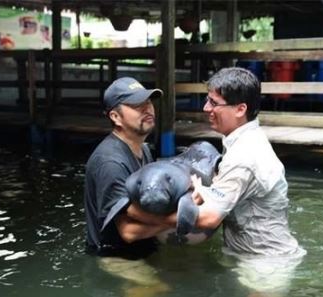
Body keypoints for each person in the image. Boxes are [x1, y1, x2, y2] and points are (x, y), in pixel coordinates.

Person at [191, 67, 306, 295]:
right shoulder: (243, 139)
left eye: (214, 103)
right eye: (207, 100)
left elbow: (209, 218)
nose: (206, 108)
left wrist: (143, 219)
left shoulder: (244, 155)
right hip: (249, 254)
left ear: (240, 109)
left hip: (265, 264)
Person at [84, 77, 170, 295]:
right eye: (136, 105)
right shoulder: (110, 162)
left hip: (142, 247)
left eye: (149, 102)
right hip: (116, 256)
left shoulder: (144, 149)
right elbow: (128, 232)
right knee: (159, 289)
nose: (148, 108)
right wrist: (185, 216)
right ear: (115, 117)